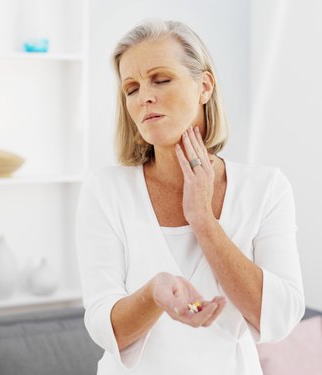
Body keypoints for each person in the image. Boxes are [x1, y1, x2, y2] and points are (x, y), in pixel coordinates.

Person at [76, 19, 305, 375]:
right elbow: (106, 330)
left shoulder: (266, 188)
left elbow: (280, 317)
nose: (144, 97)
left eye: (161, 79)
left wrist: (203, 220)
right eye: (131, 88)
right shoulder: (105, 191)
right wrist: (154, 294)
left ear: (205, 86)